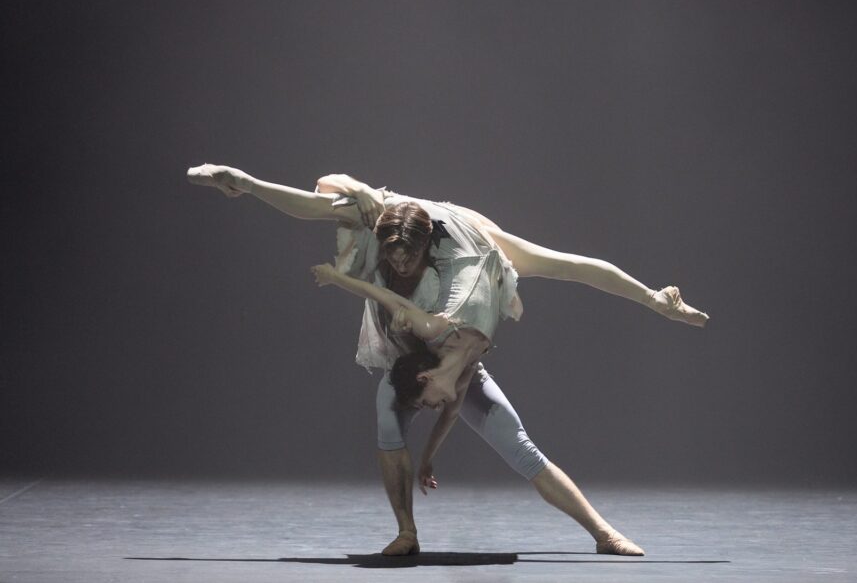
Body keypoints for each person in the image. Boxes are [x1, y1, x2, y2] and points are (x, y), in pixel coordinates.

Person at [187, 163, 709, 556]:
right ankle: (406, 532)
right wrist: (247, 184)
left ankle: (601, 532)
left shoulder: (480, 260)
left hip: (446, 357)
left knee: (521, 447)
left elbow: (576, 267)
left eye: (408, 255)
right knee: (386, 419)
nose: (398, 262)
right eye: (392, 254)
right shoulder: (388, 234)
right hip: (413, 362)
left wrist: (652, 300)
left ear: (431, 244)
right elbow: (316, 201)